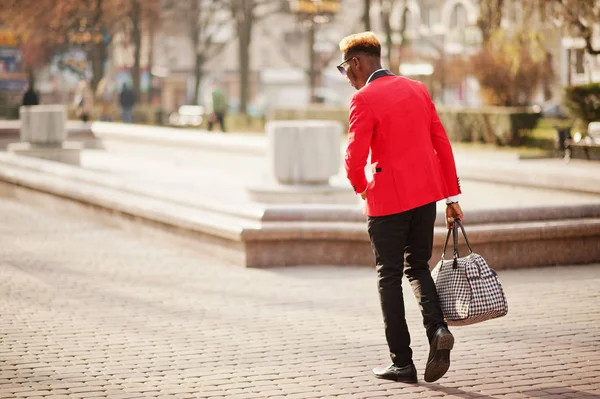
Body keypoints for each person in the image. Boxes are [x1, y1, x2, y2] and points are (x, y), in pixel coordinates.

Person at [338, 32, 464, 384]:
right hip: (425, 198)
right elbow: (441, 142)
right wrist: (451, 198)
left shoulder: (363, 99)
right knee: (419, 268)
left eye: (344, 68)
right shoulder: (417, 89)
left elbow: (353, 158)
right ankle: (437, 329)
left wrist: (362, 188)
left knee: (388, 276)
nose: (346, 75)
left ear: (357, 63)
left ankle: (402, 362)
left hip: (387, 201)